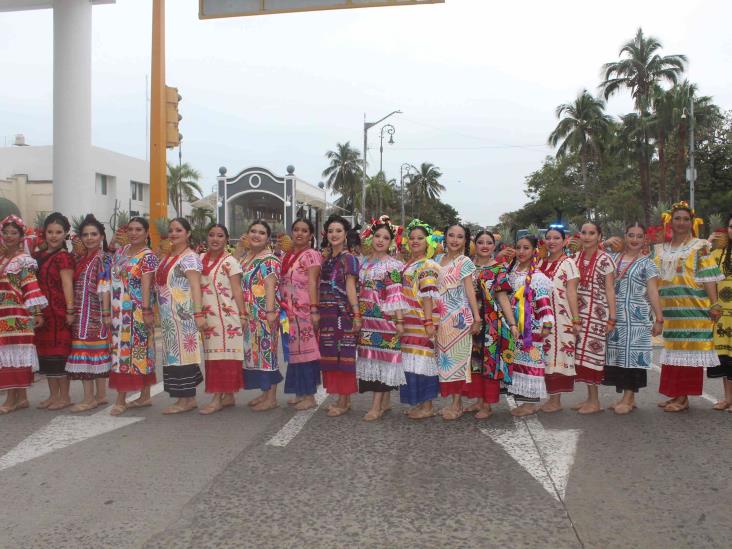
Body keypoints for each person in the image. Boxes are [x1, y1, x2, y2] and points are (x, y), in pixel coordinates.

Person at [653, 202, 723, 412]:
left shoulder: (699, 246)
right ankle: (675, 392)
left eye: (686, 219)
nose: (681, 223)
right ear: (669, 222)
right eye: (677, 219)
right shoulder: (660, 249)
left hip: (693, 308)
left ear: (692, 223)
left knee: (688, 351)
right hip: (670, 311)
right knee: (673, 351)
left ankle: (683, 398)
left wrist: (714, 303)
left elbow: (709, 276)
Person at [603, 223, 664, 414]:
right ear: (625, 236)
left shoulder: (648, 263)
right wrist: (605, 242)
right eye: (631, 235)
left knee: (633, 357)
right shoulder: (612, 258)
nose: (635, 240)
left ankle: (629, 398)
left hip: (637, 318)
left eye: (639, 236)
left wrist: (659, 318)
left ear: (644, 239)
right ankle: (626, 396)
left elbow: (653, 292)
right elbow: (589, 252)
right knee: (619, 356)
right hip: (614, 316)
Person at [356, 218, 407, 421]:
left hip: (385, 320)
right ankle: (384, 402)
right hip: (366, 320)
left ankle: (376, 407)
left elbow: (396, 294)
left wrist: (400, 321)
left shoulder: (393, 265)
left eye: (386, 238)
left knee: (384, 360)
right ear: (371, 237)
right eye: (378, 236)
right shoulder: (363, 262)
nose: (380, 240)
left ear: (391, 242)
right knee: (374, 360)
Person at [108, 217, 159, 416]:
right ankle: (145, 396)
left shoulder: (148, 256)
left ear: (147, 233)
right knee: (129, 352)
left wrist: (147, 311)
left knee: (134, 353)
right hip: (117, 311)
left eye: (139, 229)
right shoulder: (121, 252)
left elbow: (147, 285)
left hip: (136, 312)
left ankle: (121, 399)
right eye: (130, 229)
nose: (134, 232)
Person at [156, 217, 205, 414]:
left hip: (183, 316)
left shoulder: (190, 258)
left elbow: (195, 286)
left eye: (179, 230)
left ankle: (187, 400)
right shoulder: (168, 256)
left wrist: (199, 314)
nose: (174, 233)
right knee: (173, 356)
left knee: (183, 355)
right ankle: (182, 398)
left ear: (188, 234)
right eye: (171, 230)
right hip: (169, 319)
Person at [467, 230, 518, 419]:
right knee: (473, 362)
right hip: (469, 322)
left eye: (489, 242)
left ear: (494, 246)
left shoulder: (498, 269)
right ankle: (478, 400)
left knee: (489, 363)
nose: (485, 246)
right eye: (481, 242)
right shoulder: (467, 267)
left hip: (491, 323)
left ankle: (487, 405)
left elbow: (502, 298)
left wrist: (512, 324)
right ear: (475, 244)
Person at [0, 215, 47, 413]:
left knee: (14, 354)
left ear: (21, 237)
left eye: (14, 233)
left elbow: (31, 287)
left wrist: (37, 313)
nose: (9, 236)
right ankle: (22, 398)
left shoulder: (24, 261)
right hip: (3, 315)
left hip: (19, 314)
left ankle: (11, 399)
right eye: (6, 232)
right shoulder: (3, 259)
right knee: (10, 355)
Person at [65, 214, 112, 412]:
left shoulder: (103, 258)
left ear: (102, 236)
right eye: (86, 234)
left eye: (94, 234)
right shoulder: (81, 258)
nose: (90, 238)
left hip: (95, 316)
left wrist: (106, 314)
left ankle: (89, 398)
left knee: (88, 354)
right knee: (95, 355)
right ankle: (100, 396)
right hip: (82, 314)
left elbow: (106, 288)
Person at [198, 223, 246, 415]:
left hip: (227, 317)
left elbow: (237, 290)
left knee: (223, 357)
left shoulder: (230, 262)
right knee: (212, 356)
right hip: (208, 317)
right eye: (211, 235)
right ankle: (228, 396)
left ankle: (218, 398)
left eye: (220, 235)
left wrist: (242, 314)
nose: (215, 239)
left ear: (226, 239)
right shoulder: (200, 259)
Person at [436, 223, 481, 420]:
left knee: (458, 362)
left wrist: (477, 318)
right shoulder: (436, 260)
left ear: (465, 240)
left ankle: (457, 403)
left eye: (459, 236)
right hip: (440, 320)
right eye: (451, 235)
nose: (454, 240)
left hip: (460, 320)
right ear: (445, 237)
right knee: (444, 362)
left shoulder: (465, 262)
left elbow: (470, 291)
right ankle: (454, 401)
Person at [506, 236, 554, 416]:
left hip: (530, 328)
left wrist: (546, 324)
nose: (521, 251)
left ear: (534, 250)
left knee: (532, 361)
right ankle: (522, 399)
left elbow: (543, 302)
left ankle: (530, 403)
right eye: (518, 247)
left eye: (526, 248)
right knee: (517, 362)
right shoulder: (511, 272)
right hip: (513, 326)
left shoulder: (537, 277)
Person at [399, 220, 442, 419]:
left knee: (424, 363)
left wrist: (428, 323)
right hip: (409, 322)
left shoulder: (428, 264)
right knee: (412, 363)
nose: (415, 241)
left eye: (420, 238)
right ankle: (418, 403)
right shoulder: (410, 263)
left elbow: (428, 295)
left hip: (421, 322)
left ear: (428, 242)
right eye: (412, 238)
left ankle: (427, 406)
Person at [318, 215, 360, 417]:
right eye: (331, 231)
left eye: (339, 231)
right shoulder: (327, 259)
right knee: (331, 356)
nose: (334, 234)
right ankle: (341, 397)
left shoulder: (348, 259)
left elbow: (351, 287)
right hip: (327, 314)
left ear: (345, 235)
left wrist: (356, 314)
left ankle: (344, 401)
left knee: (343, 356)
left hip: (342, 315)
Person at [572, 222, 616, 414]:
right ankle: (589, 398)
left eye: (592, 233)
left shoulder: (606, 260)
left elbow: (609, 289)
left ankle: (595, 401)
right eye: (584, 233)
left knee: (592, 357)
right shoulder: (573, 258)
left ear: (599, 236)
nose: (587, 236)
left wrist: (612, 317)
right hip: (578, 315)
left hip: (597, 316)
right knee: (580, 357)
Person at [239, 220, 282, 412]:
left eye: (262, 233)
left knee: (267, 354)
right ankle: (264, 393)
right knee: (255, 355)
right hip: (250, 315)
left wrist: (271, 312)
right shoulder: (247, 257)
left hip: (265, 315)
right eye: (253, 231)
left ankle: (271, 397)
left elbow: (270, 286)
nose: (256, 235)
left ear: (267, 238)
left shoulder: (269, 260)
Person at [33, 212, 75, 411]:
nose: (53, 235)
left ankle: (64, 397)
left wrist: (70, 310)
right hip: (42, 312)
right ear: (44, 233)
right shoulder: (38, 256)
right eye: (50, 231)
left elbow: (67, 285)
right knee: (46, 354)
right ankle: (52, 395)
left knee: (59, 355)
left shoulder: (64, 257)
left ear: (66, 233)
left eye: (58, 232)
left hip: (59, 312)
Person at [281, 219, 322, 411]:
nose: (299, 233)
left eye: (304, 231)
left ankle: (310, 395)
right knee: (295, 353)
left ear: (311, 235)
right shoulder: (288, 256)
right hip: (289, 312)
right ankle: (299, 391)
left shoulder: (311, 255)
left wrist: (314, 309)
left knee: (306, 353)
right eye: (296, 230)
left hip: (304, 311)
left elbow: (313, 283)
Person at [537, 227, 580, 413]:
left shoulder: (568, 263)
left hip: (561, 320)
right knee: (544, 357)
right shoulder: (540, 263)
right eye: (548, 238)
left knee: (558, 356)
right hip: (541, 319)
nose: (552, 241)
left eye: (556, 238)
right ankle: (548, 397)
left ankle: (556, 400)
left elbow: (571, 292)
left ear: (564, 241)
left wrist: (576, 319)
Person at [709, 213, 732, 410]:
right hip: (723, 317)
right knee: (725, 360)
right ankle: (728, 398)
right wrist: (708, 243)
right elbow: (703, 270)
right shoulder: (719, 254)